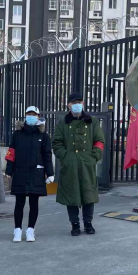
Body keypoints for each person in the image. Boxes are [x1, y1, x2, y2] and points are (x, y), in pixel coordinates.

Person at [53, 93, 105, 237]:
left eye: (79, 102)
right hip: (70, 164)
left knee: (88, 193)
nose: (77, 105)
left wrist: (93, 157)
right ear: (68, 105)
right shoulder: (62, 122)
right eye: (73, 102)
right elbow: (56, 143)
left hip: (87, 164)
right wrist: (66, 157)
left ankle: (88, 223)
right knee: (72, 194)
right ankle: (74, 224)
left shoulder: (92, 121)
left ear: (83, 104)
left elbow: (99, 141)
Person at [5, 107, 54, 243]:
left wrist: (50, 173)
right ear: (25, 116)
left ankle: (30, 230)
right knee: (19, 203)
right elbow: (11, 152)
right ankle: (17, 230)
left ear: (38, 117)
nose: (31, 117)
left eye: (34, 115)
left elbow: (47, 155)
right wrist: (9, 170)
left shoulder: (43, 135)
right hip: (20, 172)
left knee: (34, 203)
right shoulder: (18, 134)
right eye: (29, 114)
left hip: (36, 173)